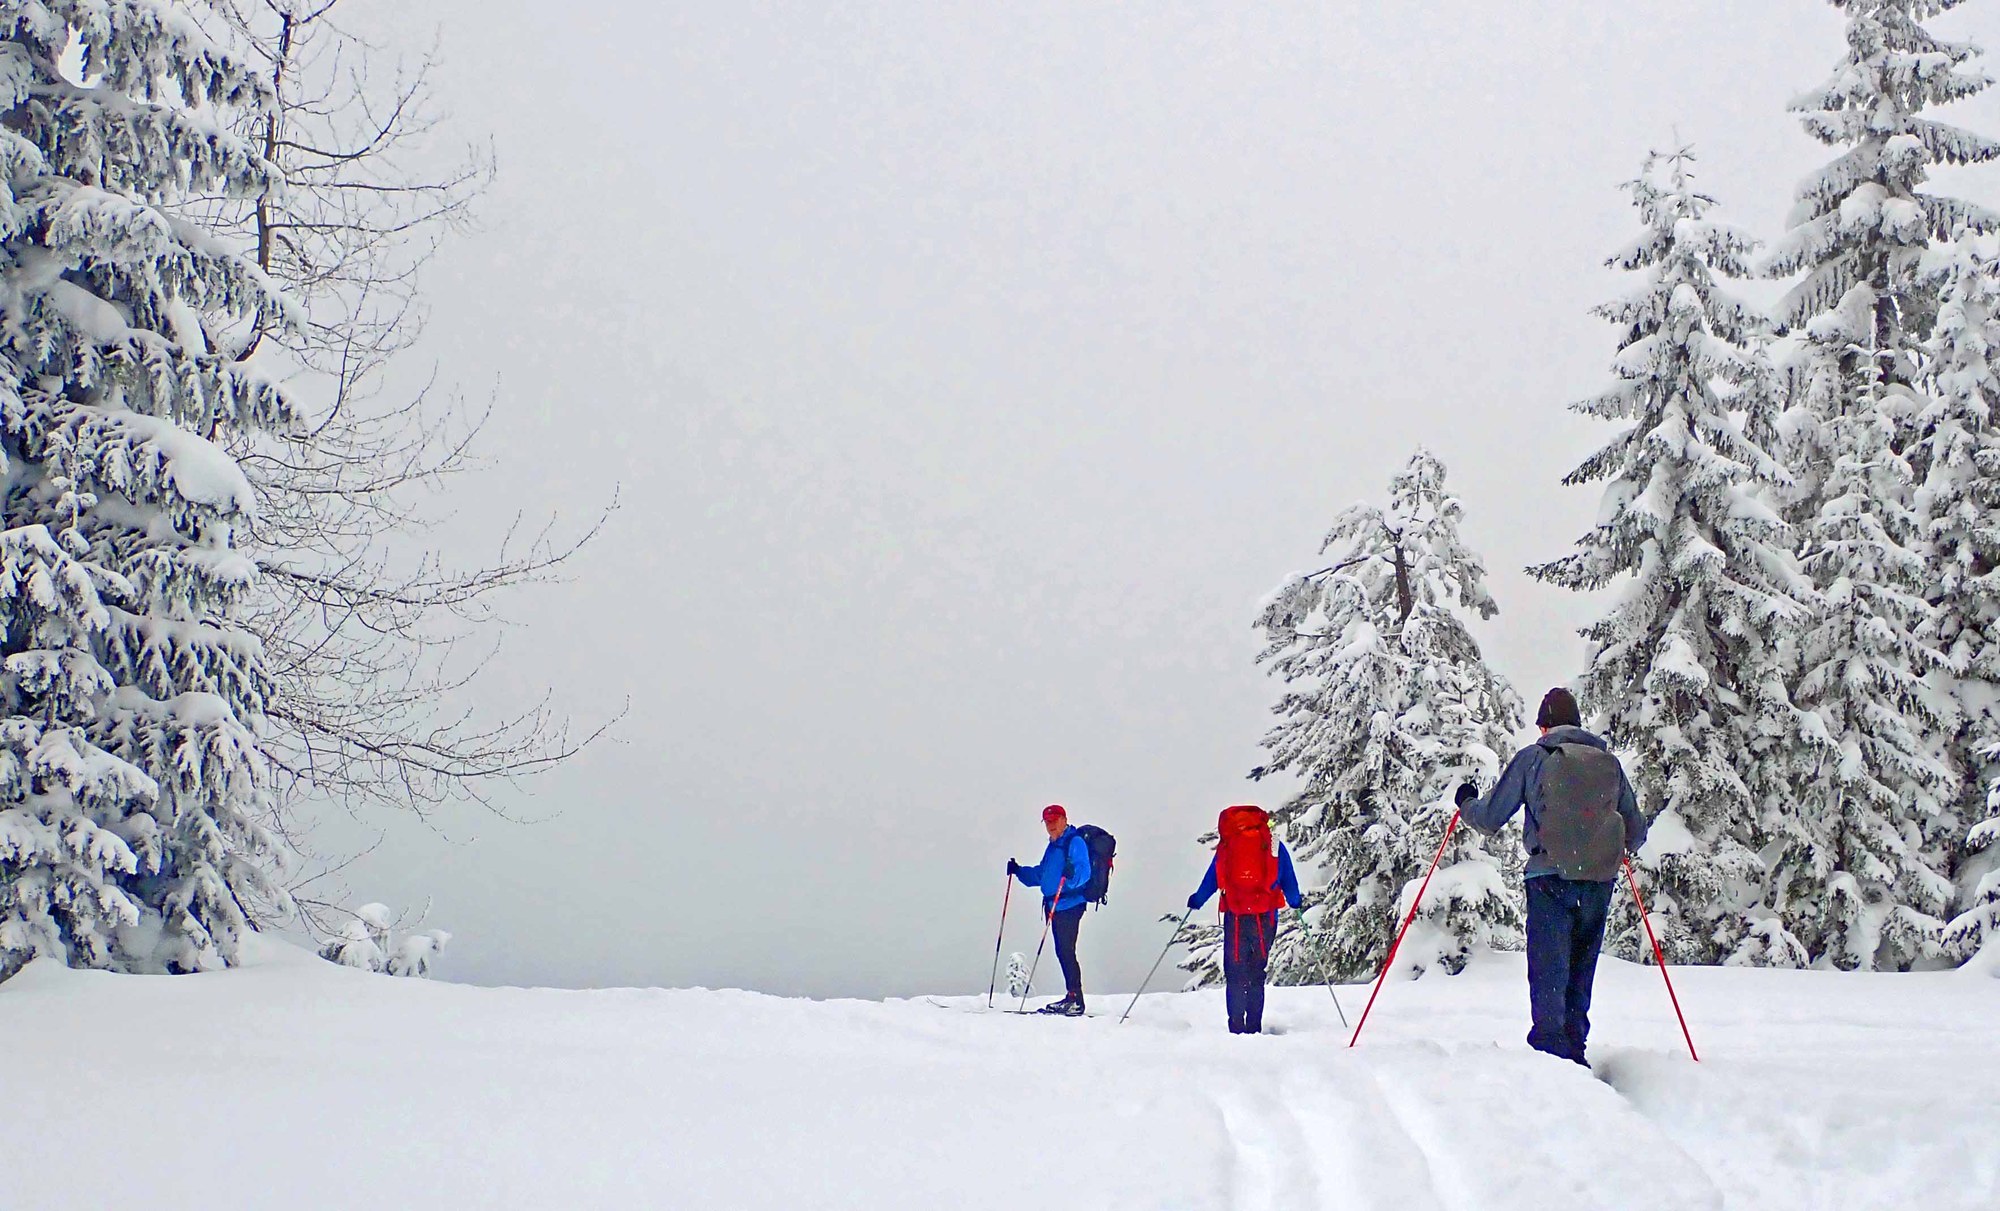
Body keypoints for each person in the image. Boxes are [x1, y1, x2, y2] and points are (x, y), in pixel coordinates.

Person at [1455, 687, 1648, 1066]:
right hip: (1598, 881)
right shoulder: (1607, 763)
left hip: (1548, 875)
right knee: (1580, 966)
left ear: (1544, 726)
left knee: (1549, 967)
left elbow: (1491, 817)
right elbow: (1636, 832)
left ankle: (1551, 1058)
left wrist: (1465, 803)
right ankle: (1576, 1050)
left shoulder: (1535, 757)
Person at [1186, 805, 1302, 1034]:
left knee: (1236, 972)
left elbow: (1213, 877)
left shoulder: (1228, 846)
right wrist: (1295, 900)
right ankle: (1254, 1027)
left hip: (1236, 917)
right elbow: (1288, 876)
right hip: (1265, 917)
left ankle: (1236, 1027)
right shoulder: (1273, 844)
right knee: (1257, 971)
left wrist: (1197, 899)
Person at [1008, 804, 1092, 1016]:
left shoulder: (1075, 842)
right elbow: (1042, 875)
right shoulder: (1054, 847)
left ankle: (1076, 999)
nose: (1051, 825)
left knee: (1065, 950)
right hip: (1054, 904)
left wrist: (1072, 876)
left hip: (1069, 904)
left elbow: (1085, 872)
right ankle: (1071, 996)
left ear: (1064, 819)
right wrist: (1019, 871)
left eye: (1054, 820)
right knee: (1062, 951)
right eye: (1047, 822)